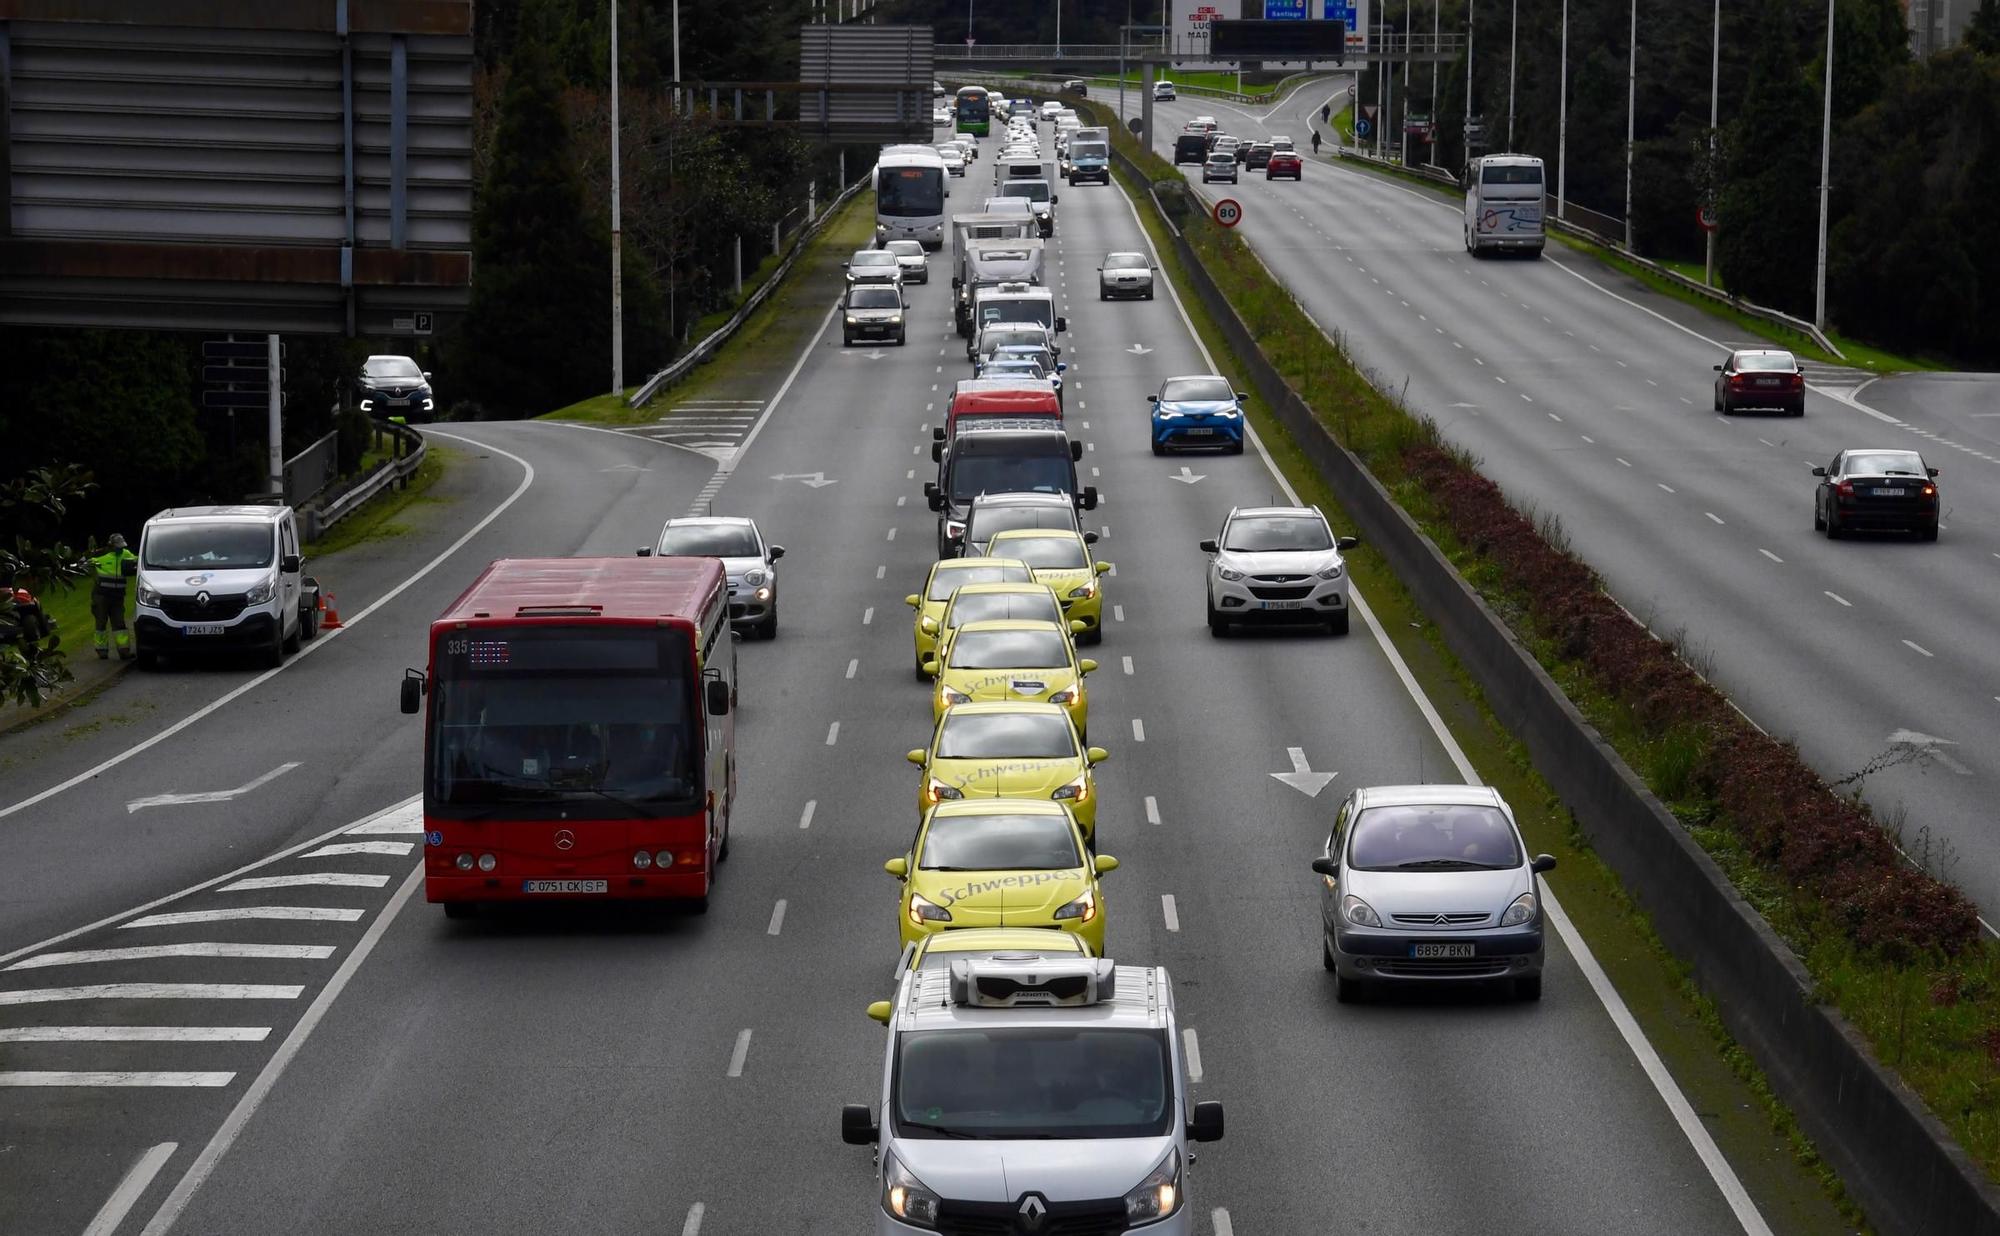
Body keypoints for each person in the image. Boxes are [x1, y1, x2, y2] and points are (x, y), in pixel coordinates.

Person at [90, 533, 138, 661]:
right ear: (111, 546)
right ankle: (101, 651)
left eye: (122, 546)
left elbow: (137, 560)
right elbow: (84, 564)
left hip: (117, 597)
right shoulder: (100, 556)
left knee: (120, 624)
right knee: (101, 623)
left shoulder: (126, 554)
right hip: (101, 596)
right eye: (118, 546)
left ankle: (124, 651)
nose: (121, 548)